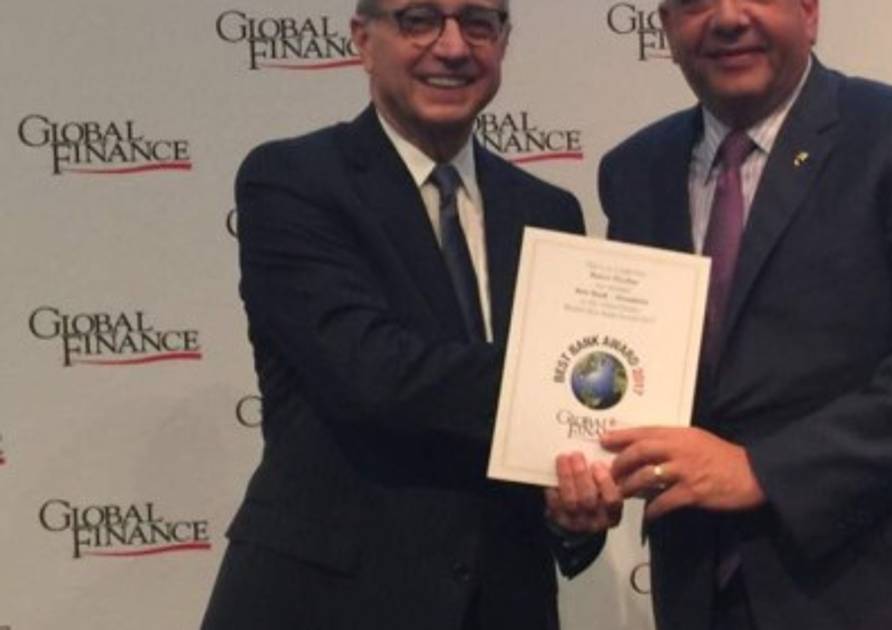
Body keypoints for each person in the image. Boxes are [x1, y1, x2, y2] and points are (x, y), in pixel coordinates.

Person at [597, 1, 892, 628]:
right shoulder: (635, 171)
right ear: (667, 28)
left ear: (809, 12)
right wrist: (585, 481)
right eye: (696, 2)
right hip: (710, 599)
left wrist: (763, 470)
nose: (727, 18)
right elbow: (639, 376)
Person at [202, 1, 619, 629]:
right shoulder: (291, 181)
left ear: (503, 41)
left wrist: (571, 507)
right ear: (364, 40)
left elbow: (548, 445)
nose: (452, 47)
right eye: (419, 19)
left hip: (503, 604)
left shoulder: (548, 212)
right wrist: (579, 383)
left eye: (478, 22)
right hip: (325, 604)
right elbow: (370, 373)